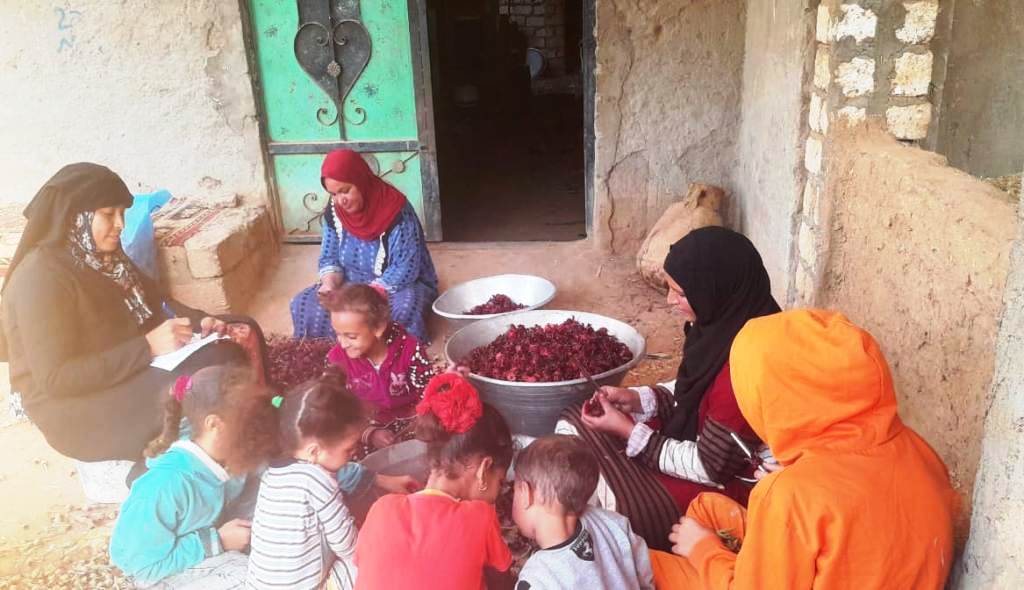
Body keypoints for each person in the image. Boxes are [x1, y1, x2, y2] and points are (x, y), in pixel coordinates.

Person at [651, 310, 959, 589]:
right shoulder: (919, 450)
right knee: (707, 508)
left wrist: (703, 550)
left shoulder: (790, 496)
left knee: (648, 562)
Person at [1, 163, 267, 462]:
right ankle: (199, 461)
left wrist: (199, 320)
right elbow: (57, 379)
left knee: (240, 330)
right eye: (107, 214)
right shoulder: (41, 278)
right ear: (76, 217)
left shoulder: (101, 256)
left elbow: (153, 301)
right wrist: (147, 347)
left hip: (120, 364)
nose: (120, 225)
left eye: (122, 213)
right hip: (76, 407)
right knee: (208, 379)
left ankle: (245, 431)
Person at [556, 226, 781, 550]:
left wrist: (629, 433)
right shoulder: (721, 326)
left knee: (617, 510)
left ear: (714, 291)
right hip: (701, 437)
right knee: (574, 420)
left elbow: (710, 466)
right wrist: (637, 398)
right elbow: (695, 389)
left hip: (730, 480)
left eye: (681, 293)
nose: (669, 301)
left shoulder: (750, 361)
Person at [110, 366, 279, 589]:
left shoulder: (228, 450)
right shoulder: (166, 485)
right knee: (252, 579)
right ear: (214, 424)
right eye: (250, 427)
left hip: (208, 530)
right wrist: (217, 542)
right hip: (161, 570)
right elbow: (140, 566)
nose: (257, 435)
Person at [354, 373, 515, 590]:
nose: (497, 493)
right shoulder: (480, 516)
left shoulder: (381, 508)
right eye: (500, 481)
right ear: (484, 469)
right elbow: (502, 583)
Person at [290, 149, 438, 342]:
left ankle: (391, 355)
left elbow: (406, 267)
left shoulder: (395, 210)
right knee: (304, 304)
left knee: (404, 309)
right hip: (350, 283)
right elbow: (329, 256)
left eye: (345, 191)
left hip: (394, 285)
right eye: (333, 194)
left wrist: (369, 294)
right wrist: (330, 284)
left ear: (361, 181)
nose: (340, 200)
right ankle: (338, 350)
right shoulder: (335, 211)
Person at [511, 435, 655, 590]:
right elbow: (645, 577)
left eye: (514, 490)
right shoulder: (615, 523)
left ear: (525, 493)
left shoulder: (537, 579)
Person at [322, 284, 435, 456]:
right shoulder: (336, 361)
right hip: (363, 426)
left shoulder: (410, 350)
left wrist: (423, 418)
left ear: (378, 328)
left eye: (351, 336)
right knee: (343, 455)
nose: (343, 344)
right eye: (338, 334)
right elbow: (335, 409)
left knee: (435, 444)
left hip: (411, 423)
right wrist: (369, 433)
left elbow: (428, 390)